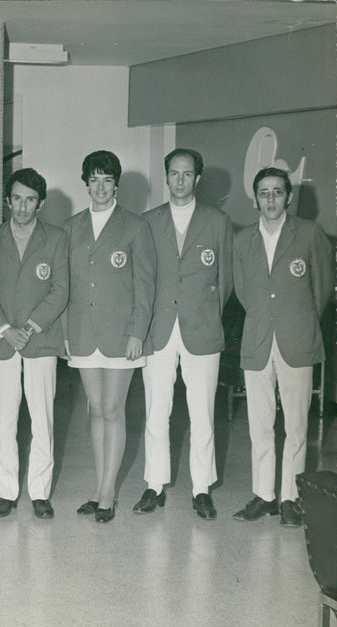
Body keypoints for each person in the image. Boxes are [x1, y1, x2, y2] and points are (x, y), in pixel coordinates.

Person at [232, 167, 333, 527]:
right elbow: (244, 293)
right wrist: (267, 318)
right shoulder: (242, 240)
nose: (271, 199)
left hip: (298, 340)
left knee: (296, 426)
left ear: (289, 197)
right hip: (257, 340)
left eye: (277, 192)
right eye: (264, 192)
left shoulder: (309, 233)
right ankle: (263, 495)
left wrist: (297, 320)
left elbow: (321, 290)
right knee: (259, 424)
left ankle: (291, 497)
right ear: (255, 198)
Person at [136, 149, 232, 520]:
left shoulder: (217, 221)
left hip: (202, 329)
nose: (180, 180)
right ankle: (154, 485)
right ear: (166, 177)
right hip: (159, 329)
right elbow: (143, 278)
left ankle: (202, 488)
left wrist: (203, 311)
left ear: (198, 179)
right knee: (156, 411)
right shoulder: (148, 221)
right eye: (174, 173)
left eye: (187, 174)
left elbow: (225, 281)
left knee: (202, 413)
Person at [65, 150, 156, 523]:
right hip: (84, 332)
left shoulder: (135, 226)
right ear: (85, 182)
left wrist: (137, 332)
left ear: (116, 184)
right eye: (94, 179)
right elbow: (64, 285)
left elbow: (145, 285)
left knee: (114, 409)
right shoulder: (71, 227)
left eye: (107, 180)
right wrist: (65, 333)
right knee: (95, 409)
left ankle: (108, 493)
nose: (100, 187)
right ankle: (96, 487)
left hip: (123, 336)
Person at [0, 168, 69, 520]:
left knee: (42, 419)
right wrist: (5, 329)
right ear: (7, 201)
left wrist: (29, 327)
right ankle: (6, 491)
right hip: (3, 341)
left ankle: (39, 492)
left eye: (30, 200)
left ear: (40, 203)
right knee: (5, 418)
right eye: (16, 198)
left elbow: (60, 289)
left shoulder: (56, 239)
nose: (22, 206)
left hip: (40, 339)